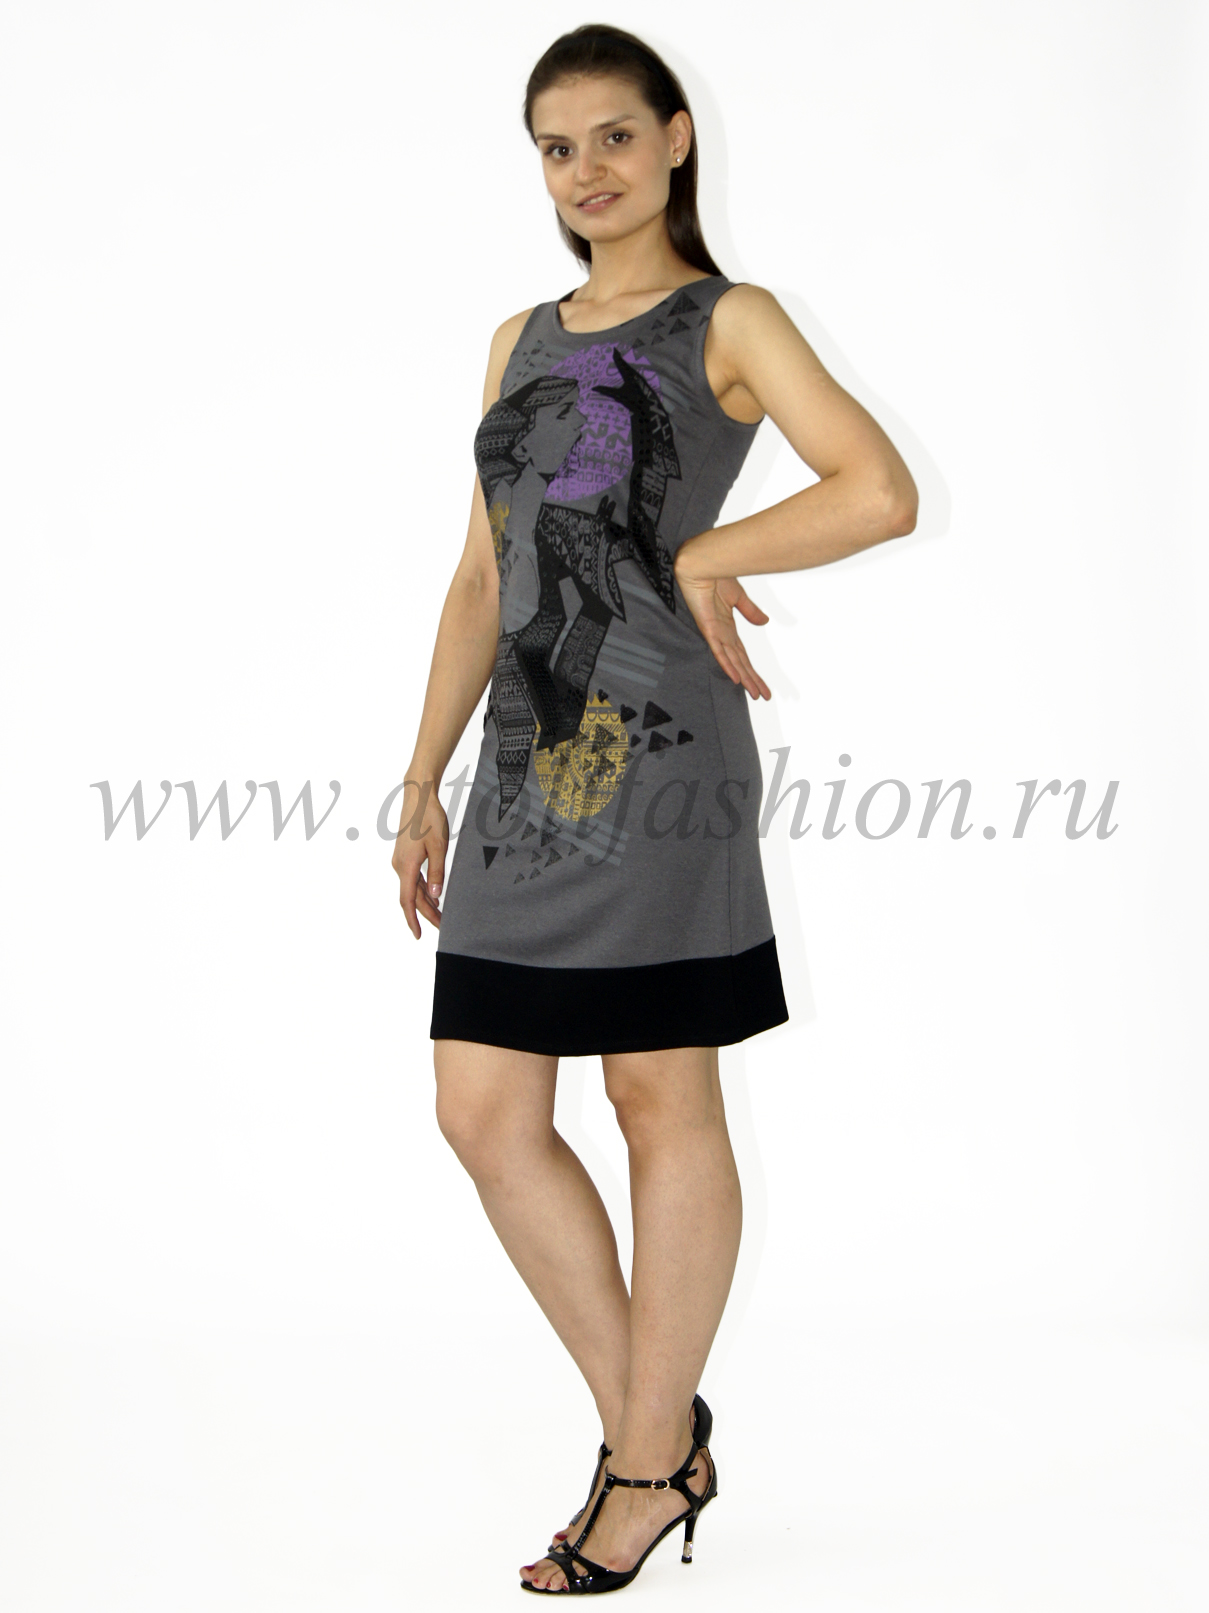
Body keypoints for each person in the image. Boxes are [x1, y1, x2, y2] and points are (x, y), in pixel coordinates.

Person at [391, 24, 918, 1595]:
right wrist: (421, 775)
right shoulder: (518, 338)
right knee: (483, 1108)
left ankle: (637, 1464)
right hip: (520, 755)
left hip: (655, 749)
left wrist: (701, 555)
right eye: (556, 148)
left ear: (676, 137)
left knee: (653, 1094)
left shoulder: (728, 320)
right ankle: (659, 1428)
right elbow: (482, 574)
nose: (586, 171)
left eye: (613, 136)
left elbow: (875, 489)